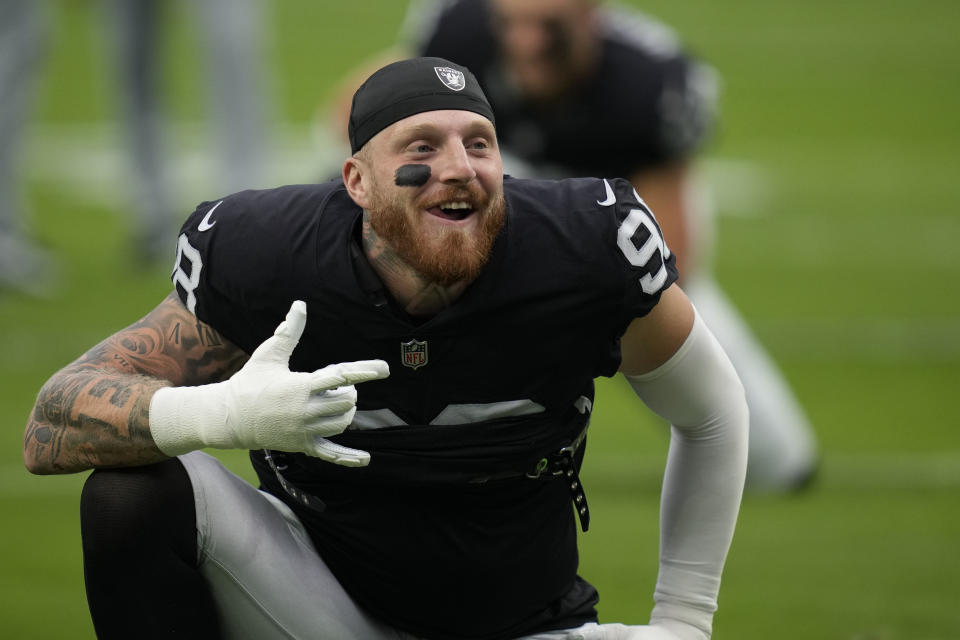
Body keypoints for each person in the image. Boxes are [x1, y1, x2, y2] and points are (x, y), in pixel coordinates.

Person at [24, 58, 748, 640]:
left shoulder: (582, 251)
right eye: (422, 147)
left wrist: (684, 619)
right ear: (356, 182)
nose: (459, 166)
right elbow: (51, 421)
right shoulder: (264, 256)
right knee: (131, 495)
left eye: (479, 143)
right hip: (317, 607)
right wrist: (220, 414)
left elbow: (712, 412)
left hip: (525, 622)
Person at [335, 0, 817, 491]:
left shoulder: (648, 83)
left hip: (618, 221)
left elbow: (671, 255)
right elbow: (356, 116)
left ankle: (779, 459)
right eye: (512, 24)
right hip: (488, 192)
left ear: (591, 16)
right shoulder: (456, 30)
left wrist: (563, 291)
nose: (526, 43)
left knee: (766, 454)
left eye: (548, 27)